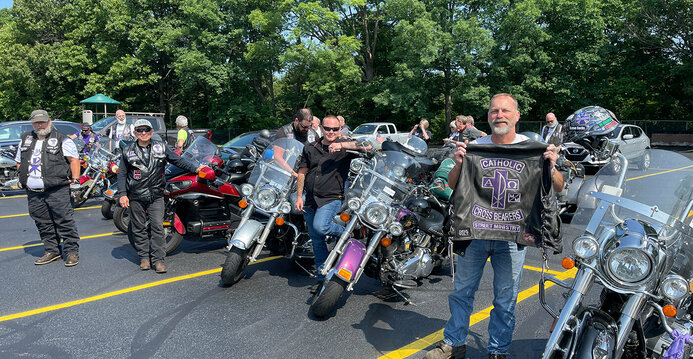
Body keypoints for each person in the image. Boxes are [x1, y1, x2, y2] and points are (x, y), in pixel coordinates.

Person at [425, 94, 563, 359]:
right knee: (462, 291)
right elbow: (453, 184)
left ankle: (498, 349)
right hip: (476, 232)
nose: (499, 115)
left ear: (517, 115)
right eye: (494, 111)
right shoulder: (475, 145)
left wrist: (551, 165)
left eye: (505, 111)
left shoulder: (534, 148)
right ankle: (454, 344)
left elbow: (557, 187)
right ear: (488, 116)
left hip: (513, 236)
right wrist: (458, 163)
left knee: (505, 299)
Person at [117, 119, 207, 273]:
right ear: (135, 133)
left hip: (156, 195)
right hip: (136, 195)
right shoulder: (128, 151)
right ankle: (144, 258)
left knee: (158, 227)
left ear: (152, 132)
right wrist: (122, 194)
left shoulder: (161, 147)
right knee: (138, 228)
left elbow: (178, 161)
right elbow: (122, 174)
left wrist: (196, 168)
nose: (143, 133)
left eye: (146, 130)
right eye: (140, 130)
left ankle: (158, 260)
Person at [295, 115, 370, 292]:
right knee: (317, 240)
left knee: (321, 227)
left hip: (332, 197)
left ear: (339, 129)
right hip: (310, 198)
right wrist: (299, 196)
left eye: (335, 129)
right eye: (327, 128)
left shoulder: (345, 147)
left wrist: (342, 144)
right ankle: (322, 276)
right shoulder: (310, 147)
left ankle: (348, 235)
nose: (331, 132)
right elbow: (302, 173)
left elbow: (367, 145)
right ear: (321, 128)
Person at [15, 110, 82, 267]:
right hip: (33, 191)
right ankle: (52, 250)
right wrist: (21, 177)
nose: (40, 125)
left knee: (64, 221)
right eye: (37, 122)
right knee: (42, 222)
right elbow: (19, 160)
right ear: (32, 123)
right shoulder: (25, 138)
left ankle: (72, 252)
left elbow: (74, 161)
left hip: (57, 189)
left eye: (43, 122)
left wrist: (75, 181)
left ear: (49, 121)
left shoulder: (62, 139)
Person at [274, 108, 319, 175]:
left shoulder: (313, 135)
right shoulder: (284, 132)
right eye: (303, 126)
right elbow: (277, 158)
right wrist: (294, 174)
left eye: (309, 126)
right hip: (285, 173)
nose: (306, 129)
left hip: (305, 173)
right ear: (296, 120)